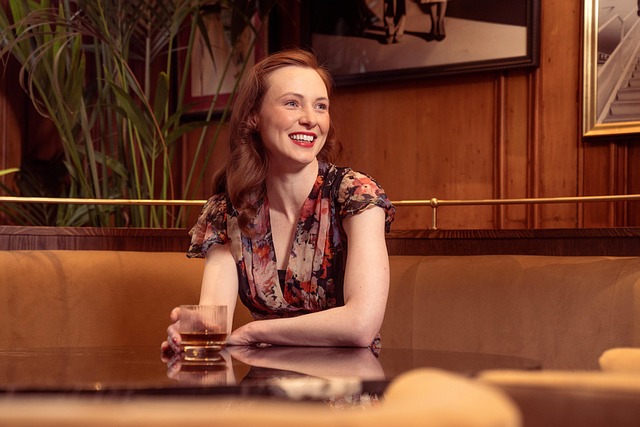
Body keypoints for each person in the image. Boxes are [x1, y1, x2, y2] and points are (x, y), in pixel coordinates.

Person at [161, 48, 395, 354]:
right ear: (254, 117)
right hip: (265, 379)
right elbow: (215, 321)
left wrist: (255, 331)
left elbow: (361, 325)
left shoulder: (355, 194)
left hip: (347, 379)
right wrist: (190, 331)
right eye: (292, 103)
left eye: (321, 106)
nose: (310, 119)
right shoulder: (227, 211)